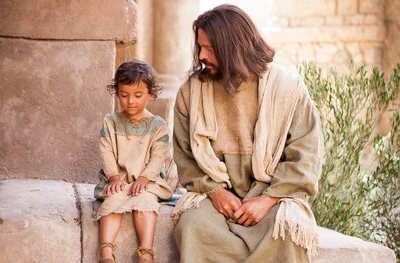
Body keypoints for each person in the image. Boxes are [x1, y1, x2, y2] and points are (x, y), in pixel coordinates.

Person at [172, 4, 324, 263]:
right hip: (217, 194)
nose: (201, 56)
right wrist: (216, 193)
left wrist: (267, 200)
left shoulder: (287, 89)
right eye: (199, 47)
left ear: (233, 46)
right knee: (193, 227)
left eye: (209, 48)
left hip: (273, 195)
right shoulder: (191, 93)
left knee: (286, 234)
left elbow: (306, 156)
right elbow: (185, 156)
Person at [95, 60, 177, 263]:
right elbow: (106, 152)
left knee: (145, 201)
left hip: (147, 181)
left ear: (151, 94)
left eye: (138, 95)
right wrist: (113, 177)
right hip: (119, 179)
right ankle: (106, 252)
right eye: (124, 95)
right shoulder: (110, 122)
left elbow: (159, 156)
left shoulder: (157, 125)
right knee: (113, 199)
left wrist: (144, 178)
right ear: (116, 92)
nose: (130, 101)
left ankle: (146, 253)